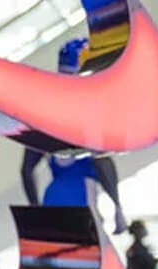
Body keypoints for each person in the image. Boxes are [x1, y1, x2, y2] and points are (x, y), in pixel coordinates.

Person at [21, 38, 127, 234]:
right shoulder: (89, 111)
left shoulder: (43, 113)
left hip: (51, 197)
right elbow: (102, 162)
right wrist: (117, 206)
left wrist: (35, 208)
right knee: (88, 252)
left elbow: (26, 169)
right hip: (81, 195)